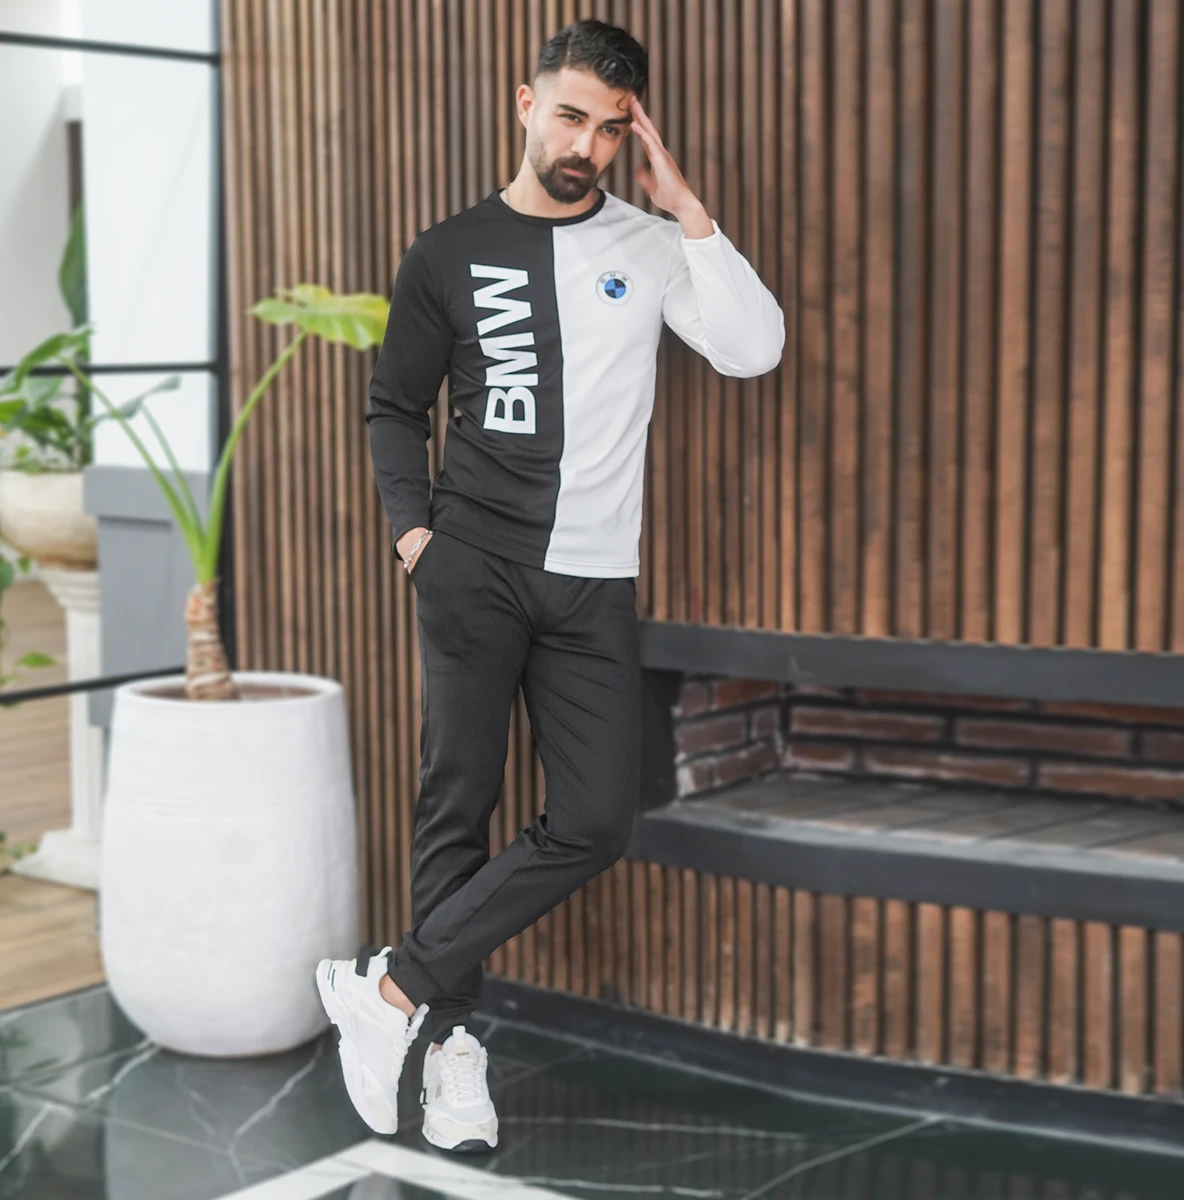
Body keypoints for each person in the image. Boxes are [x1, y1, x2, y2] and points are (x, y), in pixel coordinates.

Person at [316, 17, 785, 1154]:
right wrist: (415, 537)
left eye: (612, 128)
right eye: (571, 115)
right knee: (457, 807)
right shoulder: (448, 252)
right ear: (526, 104)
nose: (587, 144)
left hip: (593, 583)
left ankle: (392, 991)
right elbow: (395, 407)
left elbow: (754, 347)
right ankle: (451, 1049)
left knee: (594, 820)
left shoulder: (652, 244)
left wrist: (688, 208)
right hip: (473, 565)